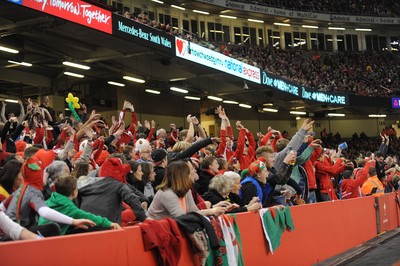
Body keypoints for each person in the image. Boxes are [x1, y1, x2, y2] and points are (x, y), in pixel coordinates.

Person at [3, 149, 96, 237]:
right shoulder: (32, 192)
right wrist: (73, 221)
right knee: (53, 227)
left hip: (12, 230)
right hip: (18, 232)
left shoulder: (22, 190)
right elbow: (45, 212)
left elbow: (2, 207)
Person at [38, 175, 121, 234]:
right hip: (54, 239)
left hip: (41, 233)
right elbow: (89, 217)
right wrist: (110, 223)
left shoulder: (51, 199)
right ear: (74, 191)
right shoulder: (69, 208)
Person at [77, 157, 148, 224]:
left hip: (85, 223)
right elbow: (131, 198)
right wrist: (143, 217)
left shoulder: (91, 185)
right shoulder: (118, 185)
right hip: (107, 226)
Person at [148, 161, 225, 220]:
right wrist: (209, 211)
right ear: (183, 175)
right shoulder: (166, 194)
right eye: (191, 169)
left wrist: (214, 209)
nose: (195, 171)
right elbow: (182, 218)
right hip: (158, 233)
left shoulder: (186, 191)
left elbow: (194, 212)